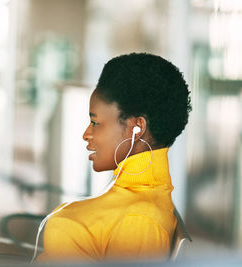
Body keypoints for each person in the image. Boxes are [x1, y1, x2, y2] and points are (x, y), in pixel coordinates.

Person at [37, 53, 192, 262]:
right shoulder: (134, 198)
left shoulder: (139, 220)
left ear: (137, 128)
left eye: (96, 123)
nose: (86, 134)